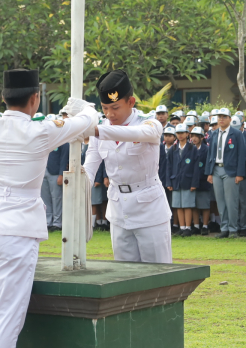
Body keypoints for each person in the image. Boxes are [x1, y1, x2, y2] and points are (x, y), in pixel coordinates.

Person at [0, 69, 97, 348]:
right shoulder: (40, 131)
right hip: (18, 228)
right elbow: (88, 121)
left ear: (2, 97)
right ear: (35, 98)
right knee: (6, 317)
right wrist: (83, 107)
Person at [83, 70, 172, 261]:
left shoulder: (149, 123)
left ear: (131, 102)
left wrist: (97, 130)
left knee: (157, 274)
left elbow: (138, 133)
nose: (109, 114)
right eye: (105, 108)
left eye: (115, 107)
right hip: (118, 211)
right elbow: (90, 166)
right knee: (125, 276)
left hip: (150, 211)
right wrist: (80, 186)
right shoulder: (100, 128)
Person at [204, 107, 246, 238]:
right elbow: (210, 154)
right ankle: (224, 228)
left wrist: (240, 174)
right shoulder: (214, 133)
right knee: (220, 201)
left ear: (230, 118)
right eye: (219, 117)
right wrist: (209, 172)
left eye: (224, 117)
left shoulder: (237, 134)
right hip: (216, 169)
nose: (221, 119)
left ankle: (233, 229)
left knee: (231, 201)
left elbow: (241, 155)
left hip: (231, 171)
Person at [169, 124, 200, 237]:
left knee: (187, 205)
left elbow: (196, 168)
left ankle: (188, 227)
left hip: (188, 180)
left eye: (182, 133)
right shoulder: (173, 148)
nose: (180, 135)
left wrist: (194, 183)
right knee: (178, 205)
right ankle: (181, 227)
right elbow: (169, 166)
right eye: (178, 133)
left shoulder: (192, 148)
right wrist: (169, 182)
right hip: (176, 180)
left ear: (187, 134)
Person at [42, 136, 68, 232]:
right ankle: (48, 222)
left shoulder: (62, 140)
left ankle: (57, 223)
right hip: (42, 171)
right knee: (45, 199)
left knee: (56, 198)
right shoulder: (42, 141)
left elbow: (64, 158)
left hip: (55, 173)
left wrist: (61, 174)